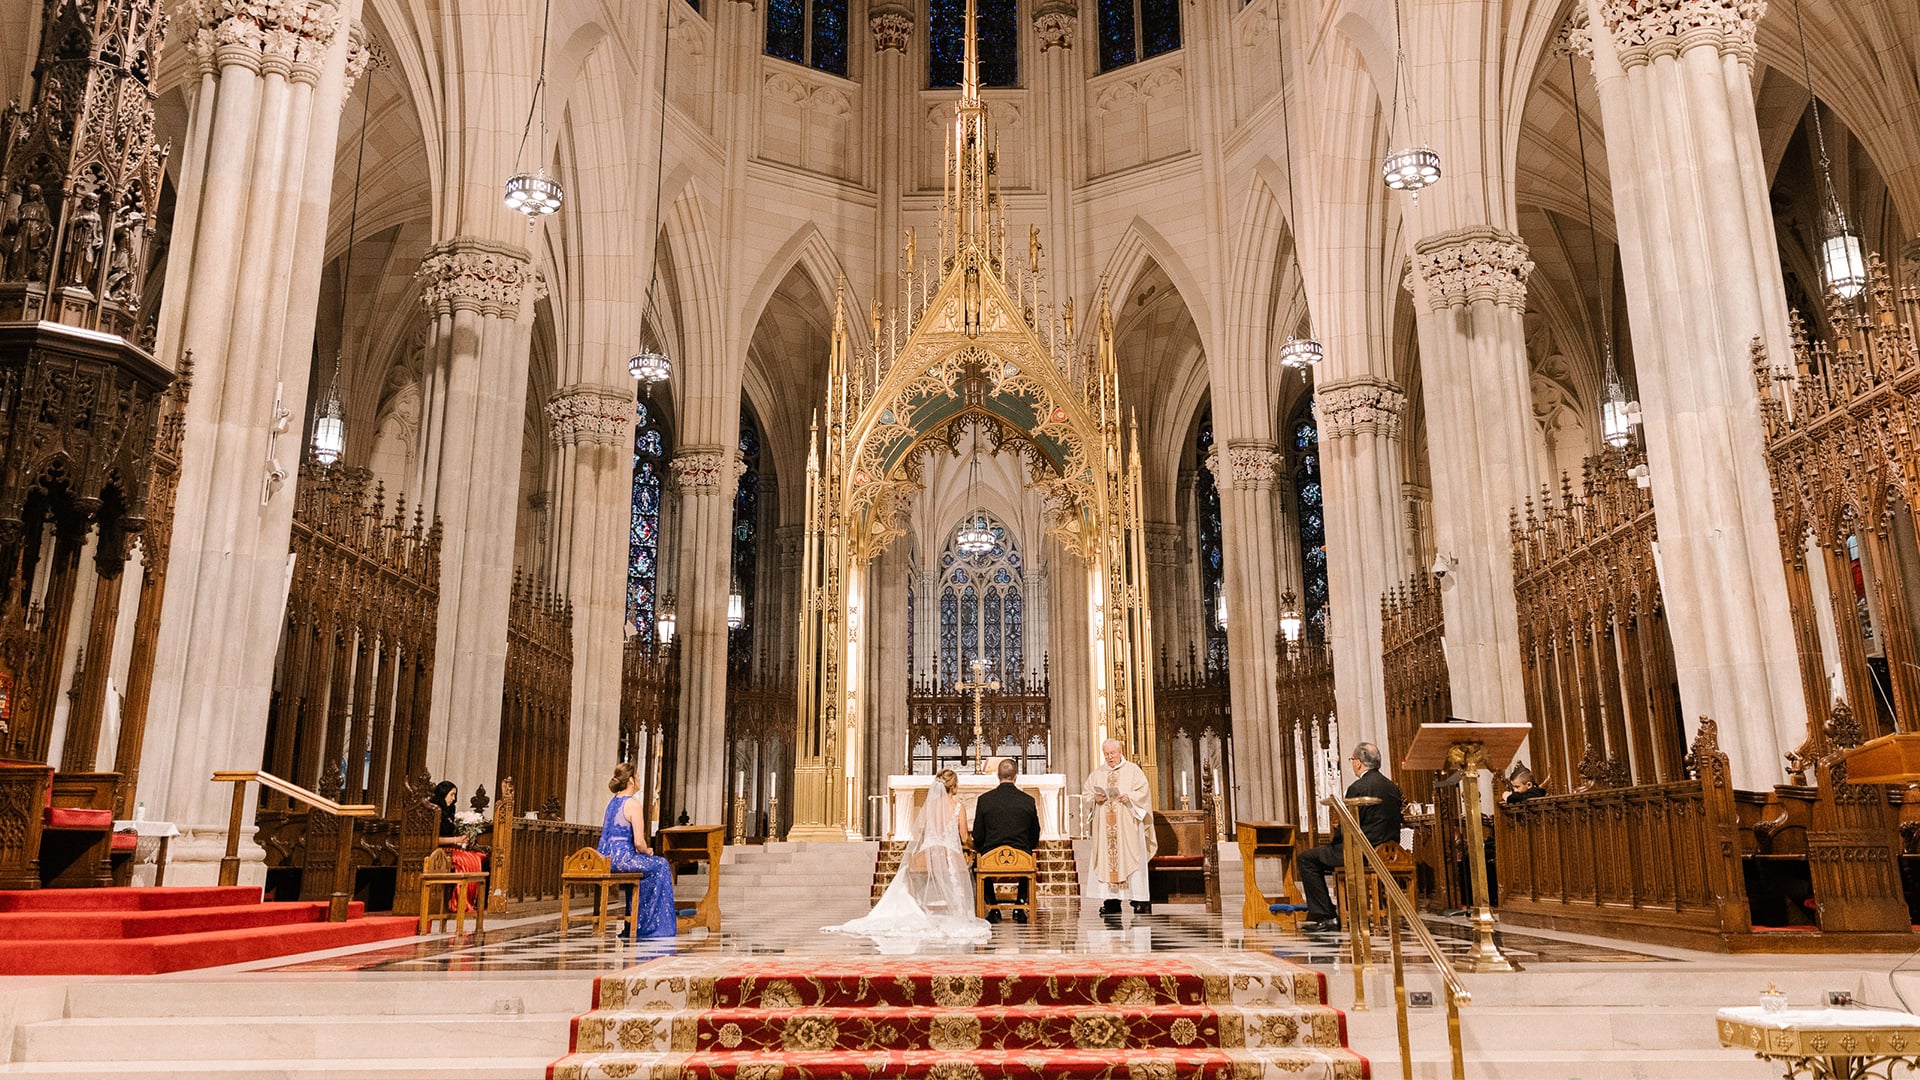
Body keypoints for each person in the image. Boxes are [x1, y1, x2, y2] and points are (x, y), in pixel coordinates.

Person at [825, 768, 990, 943]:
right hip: (949, 858)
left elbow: (921, 832)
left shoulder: (930, 806)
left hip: (926, 855)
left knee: (908, 874)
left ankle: (917, 911)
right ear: (954, 787)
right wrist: (977, 846)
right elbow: (964, 838)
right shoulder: (958, 807)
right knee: (966, 870)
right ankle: (959, 912)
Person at [1297, 743, 1404, 932]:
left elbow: (1349, 824)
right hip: (1389, 852)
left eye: (1352, 760)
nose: (1352, 763)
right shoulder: (1392, 787)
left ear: (1360, 763)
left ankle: (1326, 915)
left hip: (1362, 851)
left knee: (1307, 859)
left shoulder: (1358, 787)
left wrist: (1334, 840)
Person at [598, 761, 678, 938]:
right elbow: (639, 843)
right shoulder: (633, 803)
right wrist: (648, 851)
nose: (640, 780)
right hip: (622, 859)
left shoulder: (612, 803)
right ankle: (647, 925)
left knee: (649, 867)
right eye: (639, 777)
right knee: (661, 865)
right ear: (632, 781)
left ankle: (634, 921)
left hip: (604, 859)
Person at [1083, 738, 1155, 916]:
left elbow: (1144, 793)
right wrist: (1094, 798)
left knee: (1132, 859)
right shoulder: (1097, 774)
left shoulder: (1133, 771)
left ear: (1120, 751)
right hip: (1105, 830)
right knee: (1108, 862)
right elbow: (1086, 794)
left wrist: (1129, 797)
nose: (1109, 757)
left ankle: (1138, 899)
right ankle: (1111, 901)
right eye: (1106, 754)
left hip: (1127, 828)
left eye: (1112, 753)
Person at [971, 757, 1041, 923]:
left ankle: (992, 906)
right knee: (1027, 858)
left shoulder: (985, 800)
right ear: (1016, 776)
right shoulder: (1028, 800)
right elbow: (1035, 833)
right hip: (1021, 855)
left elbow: (978, 834)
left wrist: (982, 849)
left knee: (977, 864)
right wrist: (1026, 848)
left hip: (990, 856)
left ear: (998, 775)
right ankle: (1020, 905)